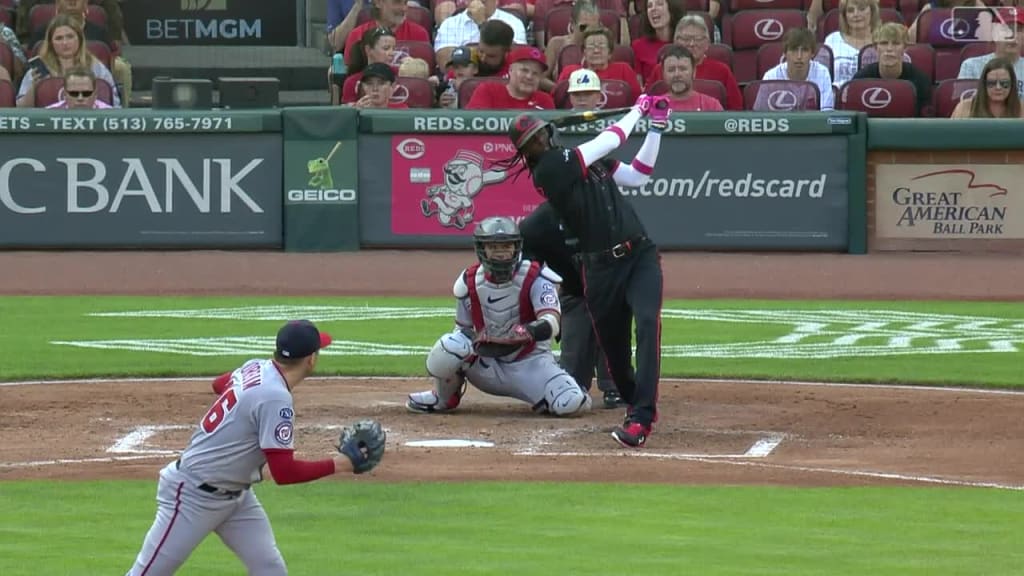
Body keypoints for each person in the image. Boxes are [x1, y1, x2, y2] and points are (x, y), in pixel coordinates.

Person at [126, 320, 386, 575]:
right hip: (193, 496)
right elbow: (284, 473)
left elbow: (219, 384)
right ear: (311, 360)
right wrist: (341, 463)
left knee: (270, 570)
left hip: (236, 497)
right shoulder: (276, 397)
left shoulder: (256, 367)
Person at [491, 95, 670, 448]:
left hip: (639, 254)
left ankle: (641, 418)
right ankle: (636, 402)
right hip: (600, 268)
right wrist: (638, 110)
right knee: (617, 356)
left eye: (541, 135)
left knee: (648, 321)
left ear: (549, 133)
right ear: (526, 152)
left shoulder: (583, 158)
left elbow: (638, 176)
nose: (539, 142)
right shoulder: (551, 169)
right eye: (531, 142)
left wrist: (657, 129)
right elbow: (612, 138)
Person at [406, 216, 593, 417]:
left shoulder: (536, 276)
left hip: (531, 364)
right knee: (450, 346)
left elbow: (552, 322)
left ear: (516, 247)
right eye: (494, 247)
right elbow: (462, 331)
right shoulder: (468, 281)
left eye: (506, 246)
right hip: (487, 365)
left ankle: (556, 392)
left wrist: (524, 332)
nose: (501, 253)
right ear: (482, 249)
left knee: (572, 403)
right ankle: (444, 398)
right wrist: (478, 341)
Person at [519, 202, 626, 409]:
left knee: (612, 325)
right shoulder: (535, 226)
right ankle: (578, 379)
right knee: (571, 381)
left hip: (610, 290)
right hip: (573, 291)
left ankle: (615, 385)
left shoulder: (609, 214)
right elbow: (530, 274)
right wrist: (551, 308)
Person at [851, 22, 932, 115]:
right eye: (884, 43)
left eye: (896, 43)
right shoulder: (861, 79)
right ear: (875, 48)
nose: (889, 49)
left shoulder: (920, 80)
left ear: (904, 48)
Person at [761, 28, 835, 111]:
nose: (799, 56)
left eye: (804, 50)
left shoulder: (822, 73)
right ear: (785, 53)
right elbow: (761, 115)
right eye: (794, 50)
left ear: (812, 53)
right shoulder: (771, 77)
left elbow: (826, 114)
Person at [951, 56, 1024, 117]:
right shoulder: (964, 108)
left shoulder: (1021, 109)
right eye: (991, 83)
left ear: (1012, 84)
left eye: (1004, 83)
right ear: (984, 85)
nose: (998, 87)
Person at [659, 44, 724, 111]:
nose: (677, 74)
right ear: (663, 74)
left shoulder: (712, 106)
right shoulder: (653, 107)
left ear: (694, 72)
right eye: (671, 70)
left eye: (683, 69)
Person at [44, 66, 112, 109]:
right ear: (65, 94)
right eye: (74, 93)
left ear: (95, 94)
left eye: (86, 93)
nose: (80, 98)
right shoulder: (48, 114)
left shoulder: (111, 115)